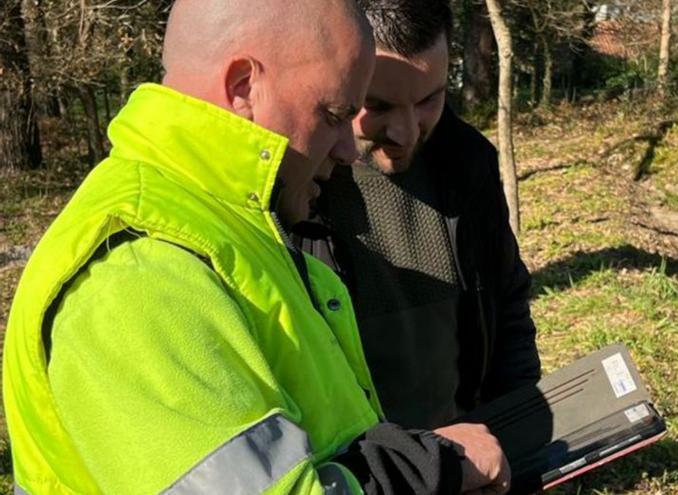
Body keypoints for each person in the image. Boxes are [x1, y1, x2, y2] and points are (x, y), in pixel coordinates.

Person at [2, 1, 509, 493]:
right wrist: (432, 468)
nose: (345, 149)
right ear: (244, 86)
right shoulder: (138, 272)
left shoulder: (234, 228)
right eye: (333, 114)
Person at [300, 0, 541, 431]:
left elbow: (507, 306)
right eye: (378, 105)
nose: (406, 133)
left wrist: (518, 431)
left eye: (431, 99)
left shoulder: (468, 163)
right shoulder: (294, 187)